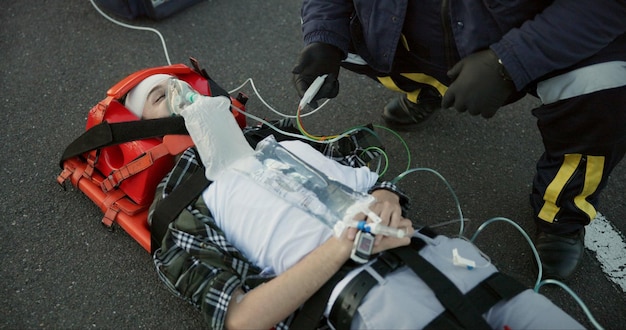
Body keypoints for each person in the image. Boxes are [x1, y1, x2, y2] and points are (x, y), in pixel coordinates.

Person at [124, 75, 584, 329]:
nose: (185, 95)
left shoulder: (276, 136)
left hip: (449, 262)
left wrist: (385, 195)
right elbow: (242, 319)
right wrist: (343, 244)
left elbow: (366, 162)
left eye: (183, 85)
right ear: (135, 135)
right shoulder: (180, 211)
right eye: (163, 96)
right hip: (369, 306)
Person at [291, 0, 626, 281]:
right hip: (407, 31)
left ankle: (562, 214)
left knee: (605, 86)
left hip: (530, 29)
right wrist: (324, 35)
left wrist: (510, 61)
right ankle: (430, 90)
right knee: (348, 36)